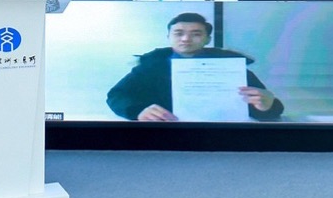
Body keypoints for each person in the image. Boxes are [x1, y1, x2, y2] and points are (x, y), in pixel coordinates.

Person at [106, 12, 283, 121]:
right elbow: (117, 95)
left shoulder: (232, 67)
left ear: (207, 39)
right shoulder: (150, 67)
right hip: (163, 134)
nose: (186, 39)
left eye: (196, 34)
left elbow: (268, 107)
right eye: (179, 33)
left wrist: (268, 105)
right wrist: (138, 111)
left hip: (221, 135)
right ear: (168, 37)